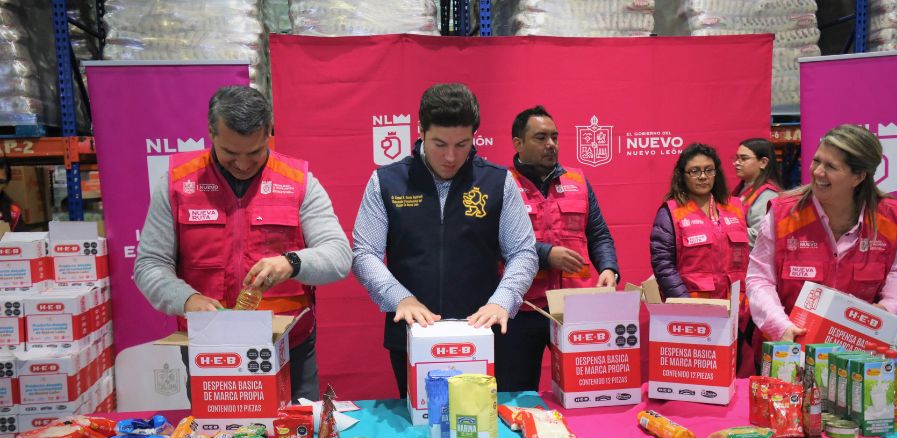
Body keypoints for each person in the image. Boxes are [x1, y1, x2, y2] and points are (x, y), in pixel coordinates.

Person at [134, 85, 352, 402]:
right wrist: (186, 299)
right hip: (210, 347)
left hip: (288, 346)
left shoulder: (298, 181)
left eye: (254, 152)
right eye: (230, 153)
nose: (243, 164)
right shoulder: (178, 183)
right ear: (211, 133)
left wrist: (292, 263)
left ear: (268, 134)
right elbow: (149, 264)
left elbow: (338, 256)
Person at [352, 83, 538, 398]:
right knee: (421, 430)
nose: (451, 157)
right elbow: (364, 253)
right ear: (421, 130)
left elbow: (523, 252)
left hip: (481, 334)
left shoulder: (496, 181)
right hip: (412, 335)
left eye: (462, 145)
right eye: (440, 144)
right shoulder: (387, 182)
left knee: (480, 427)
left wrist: (502, 300)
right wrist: (400, 298)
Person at [493, 105, 619, 391]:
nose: (550, 145)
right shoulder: (501, 184)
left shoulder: (578, 181)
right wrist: (546, 255)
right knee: (515, 394)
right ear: (518, 143)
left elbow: (599, 234)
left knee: (586, 391)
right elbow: (495, 241)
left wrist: (610, 268)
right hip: (521, 309)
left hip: (575, 309)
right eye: (540, 138)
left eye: (554, 137)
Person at [745, 124, 897, 346]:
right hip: (788, 348)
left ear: (858, 177)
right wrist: (781, 326)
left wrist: (887, 308)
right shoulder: (783, 214)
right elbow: (759, 278)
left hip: (855, 354)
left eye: (831, 166)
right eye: (816, 161)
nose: (817, 172)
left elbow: (894, 270)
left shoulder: (888, 219)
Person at [650, 143, 749, 304]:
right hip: (694, 309)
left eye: (709, 170)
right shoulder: (671, 211)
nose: (703, 176)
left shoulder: (735, 207)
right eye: (694, 171)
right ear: (682, 175)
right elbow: (663, 265)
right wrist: (684, 304)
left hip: (737, 308)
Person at [731, 138, 782, 246]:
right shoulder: (741, 189)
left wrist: (726, 230)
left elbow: (760, 235)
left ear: (763, 162)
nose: (737, 163)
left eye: (743, 159)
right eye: (736, 158)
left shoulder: (767, 195)